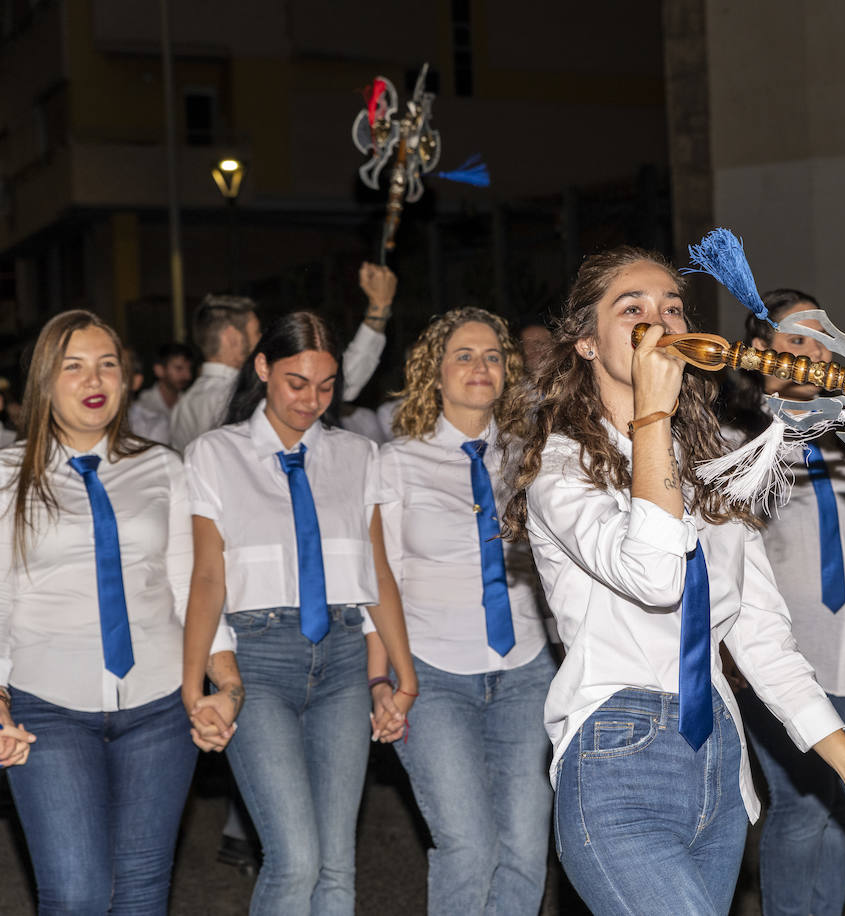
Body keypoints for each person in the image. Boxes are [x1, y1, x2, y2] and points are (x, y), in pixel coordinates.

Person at [504, 247, 845, 915]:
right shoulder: (561, 468)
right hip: (616, 756)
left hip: (720, 762)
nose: (659, 322)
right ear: (587, 343)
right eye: (632, 309)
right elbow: (656, 577)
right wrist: (653, 418)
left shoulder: (715, 471)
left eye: (673, 308)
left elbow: (764, 641)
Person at [180, 311, 418, 915]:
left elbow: (376, 573)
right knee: (295, 858)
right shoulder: (214, 453)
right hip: (258, 661)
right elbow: (206, 578)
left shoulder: (358, 455)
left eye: (326, 385)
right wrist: (194, 686)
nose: (311, 400)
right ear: (262, 368)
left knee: (337, 864)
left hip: (344, 659)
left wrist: (400, 676)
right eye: (296, 382)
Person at [0, 310, 230, 912]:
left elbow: (191, 586)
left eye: (107, 364)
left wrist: (223, 682)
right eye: (73, 366)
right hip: (46, 707)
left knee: (141, 894)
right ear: (44, 381)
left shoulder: (163, 467)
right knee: (75, 894)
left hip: (159, 705)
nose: (94, 379)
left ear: (126, 378)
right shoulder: (6, 476)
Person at [730, 288, 845, 916]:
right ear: (760, 349)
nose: (814, 350)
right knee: (801, 809)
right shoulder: (736, 438)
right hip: (784, 654)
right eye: (797, 338)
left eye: (823, 337)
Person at [370, 307, 553, 914]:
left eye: (493, 356)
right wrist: (382, 679)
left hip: (526, 671)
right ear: (435, 372)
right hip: (432, 675)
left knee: (525, 851)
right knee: (469, 848)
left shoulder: (532, 459)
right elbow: (379, 580)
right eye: (465, 356)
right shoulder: (396, 462)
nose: (481, 366)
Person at [170, 263, 395, 451]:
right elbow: (342, 382)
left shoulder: (183, 405)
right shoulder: (236, 393)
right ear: (232, 337)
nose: (262, 338)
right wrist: (378, 309)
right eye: (256, 331)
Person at [130, 343, 195, 444]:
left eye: (189, 369)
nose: (188, 375)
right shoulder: (142, 406)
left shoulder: (191, 403)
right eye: (179, 368)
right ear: (159, 370)